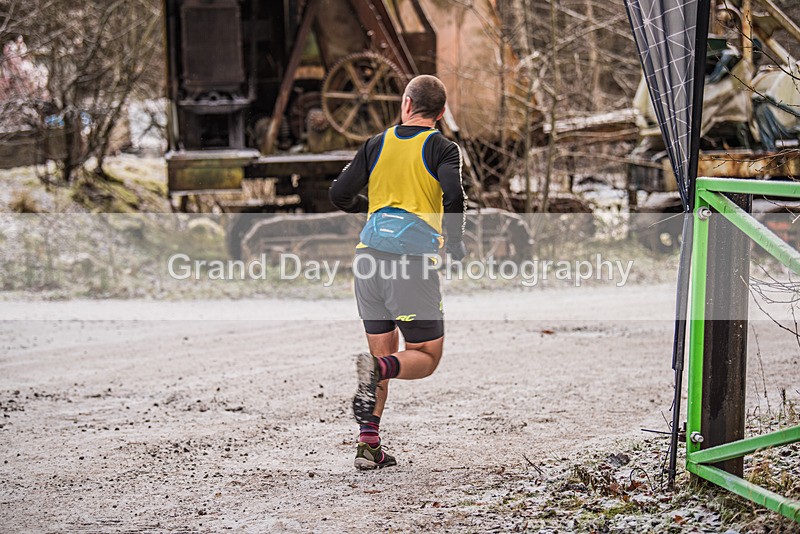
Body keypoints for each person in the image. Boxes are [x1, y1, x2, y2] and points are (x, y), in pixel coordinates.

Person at [329, 74, 466, 470]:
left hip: (368, 260)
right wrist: (456, 243)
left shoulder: (376, 143)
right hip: (410, 263)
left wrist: (371, 210)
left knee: (382, 352)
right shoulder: (442, 148)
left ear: (406, 103)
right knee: (425, 355)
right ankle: (379, 370)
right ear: (440, 112)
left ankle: (368, 446)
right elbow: (454, 196)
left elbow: (339, 194)